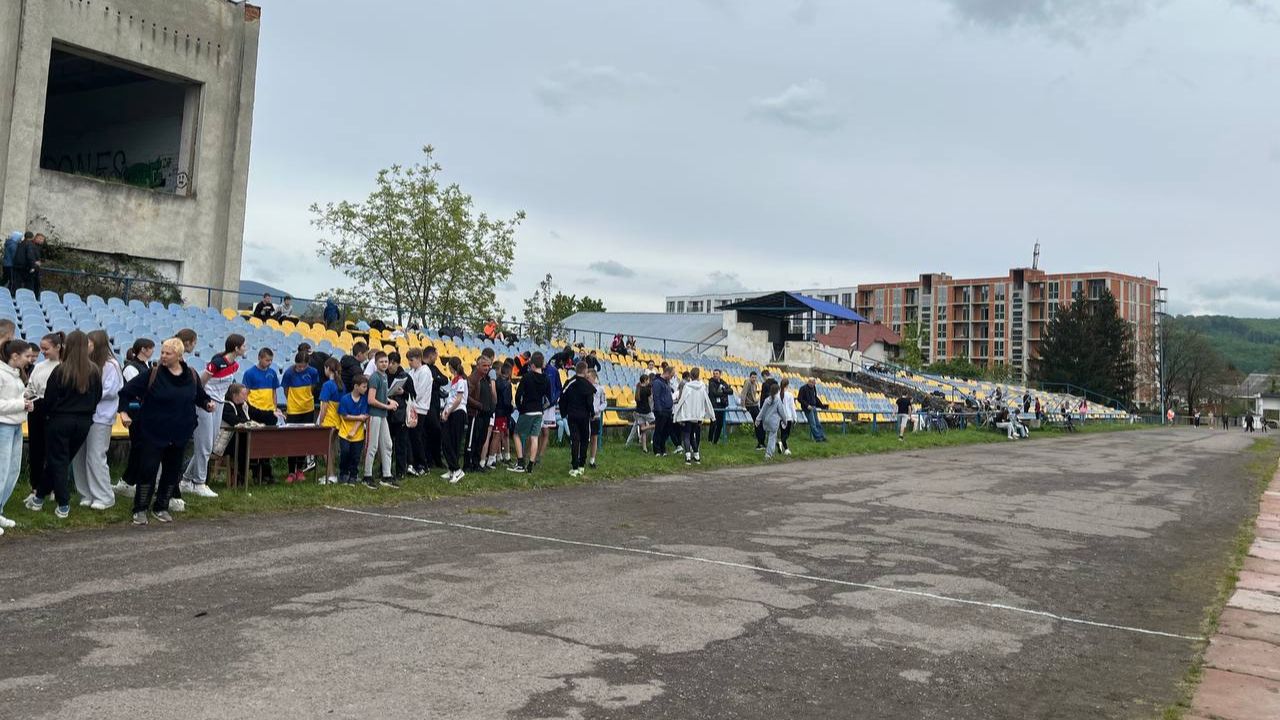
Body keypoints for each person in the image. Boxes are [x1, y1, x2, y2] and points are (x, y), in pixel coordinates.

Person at [117, 337, 214, 525]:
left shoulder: (191, 375)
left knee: (172, 472)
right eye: (162, 352)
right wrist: (124, 412)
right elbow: (126, 392)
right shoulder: (153, 374)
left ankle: (161, 507)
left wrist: (207, 403)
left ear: (178, 355)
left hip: (179, 433)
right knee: (148, 470)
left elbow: (200, 396)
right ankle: (140, 509)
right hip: (153, 431)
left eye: (167, 353)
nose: (163, 356)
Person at [24, 331, 102, 519]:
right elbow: (97, 398)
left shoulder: (61, 370)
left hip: (60, 421)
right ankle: (39, 497)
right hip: (83, 423)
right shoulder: (94, 370)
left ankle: (63, 502)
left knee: (58, 461)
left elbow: (49, 399)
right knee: (60, 461)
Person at [180, 334, 244, 498]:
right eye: (243, 346)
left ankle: (186, 480)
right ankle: (199, 482)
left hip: (220, 404)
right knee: (205, 444)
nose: (245, 348)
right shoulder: (217, 363)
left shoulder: (235, 365)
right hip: (206, 403)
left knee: (209, 444)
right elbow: (201, 382)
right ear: (236, 348)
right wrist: (203, 400)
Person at [71, 330, 122, 511]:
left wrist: (86, 393)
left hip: (101, 417)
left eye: (90, 343)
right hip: (84, 415)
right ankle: (86, 493)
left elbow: (111, 390)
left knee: (95, 455)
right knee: (79, 456)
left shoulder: (111, 365)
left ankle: (104, 496)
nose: (87, 347)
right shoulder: (85, 364)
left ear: (98, 345)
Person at [0, 339, 35, 533]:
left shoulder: (14, 375)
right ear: (15, 356)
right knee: (1, 471)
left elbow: (12, 400)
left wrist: (26, 403)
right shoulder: (1, 374)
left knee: (12, 471)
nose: (30, 360)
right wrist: (20, 404)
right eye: (27, 356)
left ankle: (0, 509)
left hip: (15, 426)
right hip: (3, 426)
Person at [25, 332, 63, 496]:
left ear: (58, 347)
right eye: (41, 349)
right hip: (37, 409)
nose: (43, 352)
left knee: (54, 450)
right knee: (36, 449)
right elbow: (30, 389)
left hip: (57, 410)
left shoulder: (65, 366)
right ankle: (36, 487)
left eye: (46, 348)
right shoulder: (39, 366)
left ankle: (54, 487)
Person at [281, 351, 320, 483]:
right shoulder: (289, 373)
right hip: (293, 410)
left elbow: (313, 387)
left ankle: (300, 470)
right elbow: (286, 390)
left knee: (304, 439)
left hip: (308, 409)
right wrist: (293, 401)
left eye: (304, 366)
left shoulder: (313, 372)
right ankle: (291, 471)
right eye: (299, 366)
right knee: (292, 440)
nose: (301, 369)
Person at [509, 351, 549, 474]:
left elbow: (518, 394)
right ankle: (530, 465)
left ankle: (521, 462)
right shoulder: (546, 379)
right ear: (542, 364)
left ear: (532, 364)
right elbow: (547, 396)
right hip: (539, 411)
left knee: (516, 434)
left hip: (527, 410)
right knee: (534, 437)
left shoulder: (527, 377)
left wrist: (520, 407)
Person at [363, 351, 398, 489]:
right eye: (381, 362)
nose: (384, 364)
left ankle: (386, 475)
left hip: (382, 415)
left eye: (386, 361)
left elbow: (382, 395)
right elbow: (371, 399)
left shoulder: (384, 377)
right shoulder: (374, 378)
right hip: (375, 414)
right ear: (376, 363)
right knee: (372, 446)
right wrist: (387, 406)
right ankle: (367, 476)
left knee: (387, 444)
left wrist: (390, 401)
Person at [672, 367, 714, 465]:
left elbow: (682, 400)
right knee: (693, 436)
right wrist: (712, 415)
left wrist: (676, 414)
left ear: (690, 376)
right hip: (697, 415)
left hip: (688, 415)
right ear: (698, 375)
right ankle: (697, 456)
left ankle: (688, 457)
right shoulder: (702, 386)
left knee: (686, 435)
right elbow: (707, 401)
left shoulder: (687, 386)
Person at [560, 362, 595, 477]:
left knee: (575, 440)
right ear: (585, 371)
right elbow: (590, 402)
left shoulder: (570, 382)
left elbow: (562, 398)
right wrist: (592, 413)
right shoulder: (588, 385)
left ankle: (574, 466)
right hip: (584, 416)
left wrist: (563, 412)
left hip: (572, 415)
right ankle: (581, 465)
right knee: (585, 439)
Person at [336, 375, 371, 485]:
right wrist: (358, 417)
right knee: (345, 453)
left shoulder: (364, 399)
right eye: (364, 387)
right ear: (356, 386)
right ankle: (343, 473)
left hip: (358, 434)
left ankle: (353, 475)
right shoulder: (345, 399)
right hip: (344, 432)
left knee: (356, 455)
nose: (366, 389)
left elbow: (364, 416)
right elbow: (344, 415)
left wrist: (355, 430)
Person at [385, 351, 413, 480]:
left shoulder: (405, 376)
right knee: (386, 444)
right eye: (389, 362)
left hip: (400, 414)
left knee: (401, 444)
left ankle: (401, 470)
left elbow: (413, 395)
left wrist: (403, 392)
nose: (390, 365)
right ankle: (385, 470)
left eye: (393, 363)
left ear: (398, 364)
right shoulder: (384, 375)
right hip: (387, 414)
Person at [316, 357, 345, 484]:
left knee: (326, 449)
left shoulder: (327, 385)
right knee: (331, 448)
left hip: (328, 420)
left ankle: (331, 475)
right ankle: (331, 474)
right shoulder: (341, 385)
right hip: (337, 420)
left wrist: (320, 422)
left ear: (328, 369)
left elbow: (324, 407)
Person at [464, 355, 496, 472]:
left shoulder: (486, 379)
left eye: (488, 366)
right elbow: (466, 396)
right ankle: (468, 464)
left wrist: (491, 407)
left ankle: (476, 463)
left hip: (486, 414)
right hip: (476, 414)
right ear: (478, 366)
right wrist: (479, 406)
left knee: (481, 440)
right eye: (484, 365)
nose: (487, 368)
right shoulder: (473, 378)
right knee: (472, 440)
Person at [440, 357, 469, 484]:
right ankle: (452, 468)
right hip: (451, 412)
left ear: (451, 367)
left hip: (458, 413)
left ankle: (457, 469)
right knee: (447, 441)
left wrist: (449, 411)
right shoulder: (454, 380)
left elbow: (458, 399)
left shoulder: (462, 381)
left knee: (453, 442)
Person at [487, 360, 514, 469]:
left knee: (496, 436)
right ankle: (491, 459)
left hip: (496, 411)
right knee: (497, 436)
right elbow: (507, 401)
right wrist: (511, 409)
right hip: (502, 413)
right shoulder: (506, 384)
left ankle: (494, 457)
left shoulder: (496, 382)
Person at [755, 382, 785, 460]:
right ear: (777, 391)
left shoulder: (766, 400)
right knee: (772, 437)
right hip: (774, 422)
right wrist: (785, 421)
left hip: (766, 421)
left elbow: (762, 411)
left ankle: (773, 449)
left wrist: (758, 419)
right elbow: (781, 412)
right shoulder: (778, 400)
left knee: (770, 436)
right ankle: (768, 454)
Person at [651, 365, 675, 457]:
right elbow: (656, 397)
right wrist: (659, 409)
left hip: (668, 410)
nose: (672, 377)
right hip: (661, 410)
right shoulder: (657, 382)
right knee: (659, 430)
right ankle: (657, 450)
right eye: (671, 375)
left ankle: (663, 448)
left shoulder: (666, 383)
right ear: (667, 373)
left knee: (666, 431)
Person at [627, 373, 655, 452]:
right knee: (657, 423)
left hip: (638, 411)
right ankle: (644, 428)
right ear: (645, 380)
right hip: (646, 412)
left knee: (644, 432)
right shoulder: (647, 390)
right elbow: (650, 400)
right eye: (648, 380)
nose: (649, 381)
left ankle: (644, 448)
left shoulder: (638, 389)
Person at [797, 378, 829, 443]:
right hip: (807, 408)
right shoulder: (803, 388)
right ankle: (818, 438)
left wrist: (822, 406)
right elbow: (799, 399)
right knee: (813, 424)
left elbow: (815, 398)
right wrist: (807, 405)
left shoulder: (814, 388)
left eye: (814, 383)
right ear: (809, 382)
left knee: (817, 423)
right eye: (812, 383)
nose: (813, 384)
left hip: (813, 407)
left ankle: (822, 436)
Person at [587, 368, 607, 469]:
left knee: (594, 437)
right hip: (585, 416)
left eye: (589, 377)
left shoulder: (600, 388)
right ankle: (580, 457)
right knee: (584, 437)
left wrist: (598, 410)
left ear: (594, 377)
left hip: (595, 416)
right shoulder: (585, 387)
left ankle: (592, 460)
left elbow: (604, 403)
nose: (587, 379)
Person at [706, 369, 731, 445]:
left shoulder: (723, 382)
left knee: (720, 424)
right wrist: (724, 392)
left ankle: (715, 441)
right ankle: (710, 440)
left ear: (720, 374)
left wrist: (723, 391)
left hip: (722, 405)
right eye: (714, 373)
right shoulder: (711, 382)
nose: (715, 375)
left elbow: (731, 391)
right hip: (714, 406)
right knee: (713, 423)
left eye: (716, 373)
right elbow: (714, 393)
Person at [742, 371, 762, 450]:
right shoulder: (747, 382)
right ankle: (759, 442)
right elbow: (743, 394)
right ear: (750, 377)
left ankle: (760, 441)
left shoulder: (755, 384)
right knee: (757, 422)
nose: (754, 379)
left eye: (755, 377)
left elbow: (753, 395)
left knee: (759, 421)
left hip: (754, 404)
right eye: (752, 377)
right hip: (749, 405)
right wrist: (743, 406)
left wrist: (756, 400)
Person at [778, 378, 797, 456]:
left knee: (783, 433)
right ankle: (781, 443)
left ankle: (786, 449)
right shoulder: (789, 395)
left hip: (780, 417)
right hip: (788, 416)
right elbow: (792, 407)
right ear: (787, 385)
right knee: (786, 434)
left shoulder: (777, 394)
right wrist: (795, 417)